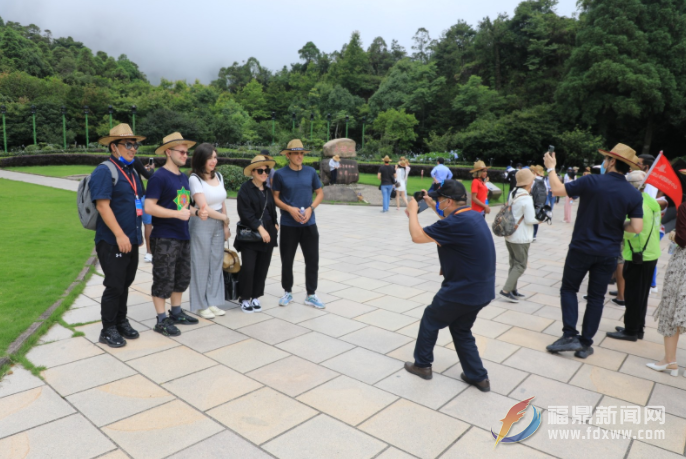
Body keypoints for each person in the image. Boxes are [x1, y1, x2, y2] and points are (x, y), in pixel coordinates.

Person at [545, 143, 643, 359]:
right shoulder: (633, 194)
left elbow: (557, 190)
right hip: (609, 252)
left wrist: (551, 168)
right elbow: (636, 227)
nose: (605, 162)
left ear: (612, 161)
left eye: (607, 159)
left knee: (569, 289)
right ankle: (585, 343)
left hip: (582, 247)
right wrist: (619, 226)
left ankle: (570, 335)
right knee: (596, 298)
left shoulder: (592, 181)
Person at [403, 180, 495, 391]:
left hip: (462, 289)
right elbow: (448, 221)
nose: (438, 202)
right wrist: (430, 203)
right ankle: (478, 376)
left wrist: (414, 211)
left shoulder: (454, 223)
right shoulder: (472, 216)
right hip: (482, 290)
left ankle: (422, 365)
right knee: (461, 328)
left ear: (449, 201)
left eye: (440, 200)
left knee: (430, 319)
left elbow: (417, 236)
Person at [90, 124, 146, 347]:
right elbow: (103, 207)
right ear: (114, 147)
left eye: (135, 145)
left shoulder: (131, 171)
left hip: (130, 239)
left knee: (126, 282)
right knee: (114, 284)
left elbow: (136, 203)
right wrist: (121, 235)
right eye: (129, 144)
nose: (134, 149)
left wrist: (135, 236)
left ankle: (121, 321)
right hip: (113, 240)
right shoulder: (105, 170)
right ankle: (108, 329)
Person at [145, 132, 205, 336]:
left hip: (182, 235)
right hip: (164, 237)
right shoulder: (158, 177)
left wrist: (197, 212)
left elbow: (184, 206)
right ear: (168, 152)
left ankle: (176, 312)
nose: (185, 155)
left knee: (181, 277)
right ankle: (161, 320)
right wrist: (177, 214)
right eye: (181, 151)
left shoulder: (183, 177)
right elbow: (149, 207)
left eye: (187, 152)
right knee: (163, 278)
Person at [606, 170, 661, 341]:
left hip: (638, 255)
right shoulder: (651, 201)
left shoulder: (636, 204)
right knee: (641, 295)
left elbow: (634, 230)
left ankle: (630, 331)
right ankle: (638, 328)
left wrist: (619, 225)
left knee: (633, 294)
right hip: (650, 253)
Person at [272, 139, 325, 309]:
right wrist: (290, 209)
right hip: (288, 224)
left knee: (312, 259)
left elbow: (320, 193)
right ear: (288, 155)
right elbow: (275, 198)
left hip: (309, 223)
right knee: (287, 260)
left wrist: (311, 208)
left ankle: (311, 294)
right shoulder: (280, 174)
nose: (300, 156)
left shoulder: (310, 172)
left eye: (302, 153)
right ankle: (287, 291)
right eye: (296, 153)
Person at [647, 174, 686, 376]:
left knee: (672, 310)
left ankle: (669, 361)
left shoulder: (685, 207)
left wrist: (673, 235)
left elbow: (682, 239)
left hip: (683, 265)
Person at [188, 143, 230, 319]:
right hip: (202, 222)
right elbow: (203, 206)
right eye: (209, 158)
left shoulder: (218, 175)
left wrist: (226, 225)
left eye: (215, 157)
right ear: (201, 159)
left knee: (215, 262)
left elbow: (222, 201)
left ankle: (212, 301)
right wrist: (224, 219)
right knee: (200, 263)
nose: (214, 161)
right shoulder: (194, 179)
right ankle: (200, 305)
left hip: (219, 222)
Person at [235, 155, 279, 313]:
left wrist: (275, 223)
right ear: (253, 172)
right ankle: (245, 298)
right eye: (260, 170)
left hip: (268, 232)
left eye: (266, 170)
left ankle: (255, 296)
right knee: (249, 267)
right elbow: (245, 213)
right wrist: (260, 228)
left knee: (263, 266)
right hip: (251, 233)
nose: (264, 173)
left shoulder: (267, 190)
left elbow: (272, 209)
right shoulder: (245, 189)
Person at [499, 169, 539, 303]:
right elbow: (530, 219)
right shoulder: (526, 199)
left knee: (513, 263)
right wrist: (541, 219)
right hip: (520, 237)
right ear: (529, 183)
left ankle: (512, 289)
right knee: (520, 265)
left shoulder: (513, 193)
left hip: (510, 235)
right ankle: (506, 290)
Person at [132, 157, 155, 263]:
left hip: (132, 197)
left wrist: (142, 168)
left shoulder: (120, 162)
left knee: (138, 224)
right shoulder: (134, 159)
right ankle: (149, 252)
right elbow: (149, 176)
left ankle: (140, 252)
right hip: (140, 197)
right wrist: (152, 169)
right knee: (147, 224)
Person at [531, 165, 547, 241]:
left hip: (533, 201)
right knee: (537, 218)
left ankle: (531, 234)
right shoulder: (543, 181)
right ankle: (534, 235)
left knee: (531, 218)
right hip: (541, 203)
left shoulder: (533, 181)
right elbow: (546, 192)